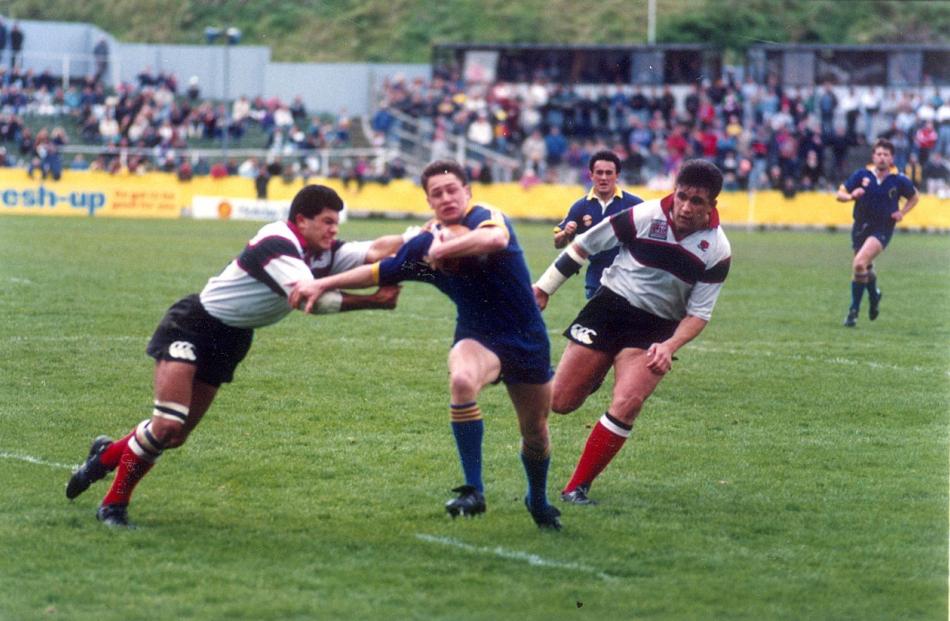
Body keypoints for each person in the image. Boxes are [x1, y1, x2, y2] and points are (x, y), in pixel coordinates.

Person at [65, 185, 406, 527]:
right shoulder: (277, 241)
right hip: (193, 326)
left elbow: (378, 249)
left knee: (176, 435)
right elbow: (307, 299)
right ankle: (113, 505)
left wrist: (427, 236)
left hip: (232, 339)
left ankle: (104, 457)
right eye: (328, 222)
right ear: (301, 220)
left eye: (337, 224)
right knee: (167, 424)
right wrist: (374, 301)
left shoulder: (321, 252)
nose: (334, 230)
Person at [290, 160, 562, 530]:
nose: (447, 197)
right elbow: (379, 272)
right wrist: (322, 284)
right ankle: (474, 490)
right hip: (477, 335)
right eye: (437, 193)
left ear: (467, 192)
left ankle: (538, 499)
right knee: (462, 381)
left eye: (453, 190)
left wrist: (444, 249)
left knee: (535, 432)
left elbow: (494, 239)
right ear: (429, 201)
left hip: (526, 339)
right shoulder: (422, 245)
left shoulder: (487, 217)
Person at [533, 159, 731, 505]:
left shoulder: (717, 250)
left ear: (712, 205)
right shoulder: (644, 216)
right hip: (610, 308)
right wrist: (544, 288)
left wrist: (670, 346)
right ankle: (592, 373)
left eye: (696, 201)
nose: (685, 207)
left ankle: (576, 487)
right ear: (674, 190)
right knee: (561, 403)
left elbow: (699, 314)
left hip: (656, 329)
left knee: (627, 403)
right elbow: (583, 247)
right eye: (682, 196)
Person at [836, 138, 919, 327]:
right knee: (865, 267)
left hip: (882, 228)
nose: (882, 158)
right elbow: (839, 195)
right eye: (879, 154)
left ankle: (853, 312)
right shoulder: (861, 175)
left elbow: (914, 197)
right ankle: (874, 295)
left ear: (892, 159)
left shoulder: (899, 180)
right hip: (860, 227)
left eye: (886, 155)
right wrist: (851, 196)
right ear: (873, 156)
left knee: (858, 264)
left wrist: (902, 212)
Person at [553, 150, 643, 299]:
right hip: (596, 279)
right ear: (591, 175)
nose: (604, 178)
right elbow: (558, 243)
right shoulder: (580, 207)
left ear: (617, 176)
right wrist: (566, 233)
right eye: (599, 172)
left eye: (609, 173)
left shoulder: (634, 204)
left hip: (629, 279)